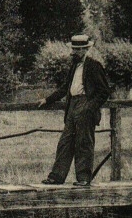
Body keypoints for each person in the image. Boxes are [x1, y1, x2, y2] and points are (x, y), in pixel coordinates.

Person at [38, 34, 110, 186]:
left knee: (84, 143)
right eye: (73, 49)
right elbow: (65, 88)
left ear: (85, 50)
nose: (73, 53)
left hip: (85, 105)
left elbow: (104, 91)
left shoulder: (94, 66)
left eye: (77, 50)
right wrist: (47, 99)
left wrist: (89, 108)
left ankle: (84, 179)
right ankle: (56, 177)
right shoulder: (74, 66)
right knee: (65, 142)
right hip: (72, 107)